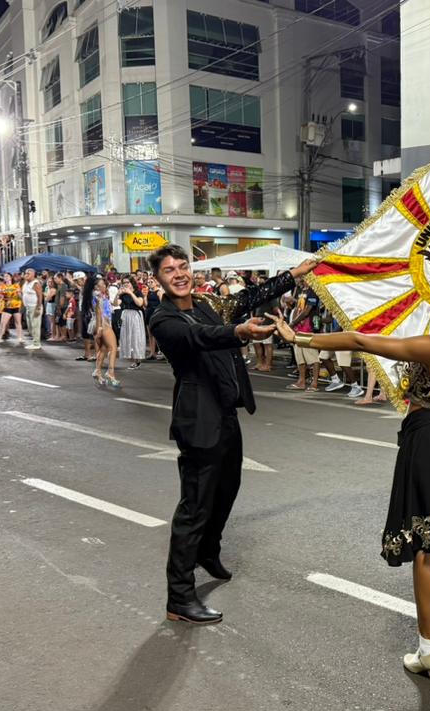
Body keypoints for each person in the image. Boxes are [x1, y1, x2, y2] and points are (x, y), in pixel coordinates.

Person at [266, 204, 430, 683]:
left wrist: (297, 338)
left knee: (427, 547)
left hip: (428, 439)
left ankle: (428, 650)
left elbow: (361, 341)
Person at [147, 243, 317, 626]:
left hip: (225, 414)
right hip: (198, 420)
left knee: (227, 489)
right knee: (194, 507)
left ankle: (208, 550)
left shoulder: (207, 303)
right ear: (158, 279)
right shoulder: (163, 319)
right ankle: (179, 598)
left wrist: (295, 274)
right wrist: (239, 331)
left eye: (183, 266)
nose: (179, 274)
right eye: (169, 270)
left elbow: (248, 297)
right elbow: (201, 337)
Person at [91, 277, 120, 387]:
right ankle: (110, 372)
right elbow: (98, 311)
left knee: (104, 348)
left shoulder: (102, 295)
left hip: (103, 322)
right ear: (96, 286)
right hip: (102, 323)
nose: (104, 286)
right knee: (113, 347)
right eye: (101, 284)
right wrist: (99, 327)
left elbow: (114, 304)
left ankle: (97, 371)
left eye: (104, 284)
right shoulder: (97, 295)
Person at [117, 277, 146, 369]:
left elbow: (139, 303)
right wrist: (117, 294)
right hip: (126, 315)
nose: (126, 284)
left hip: (135, 315)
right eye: (124, 282)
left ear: (132, 282)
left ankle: (137, 360)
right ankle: (133, 358)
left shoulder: (137, 292)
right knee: (128, 337)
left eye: (127, 282)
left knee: (136, 337)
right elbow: (115, 304)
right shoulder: (123, 294)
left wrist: (131, 293)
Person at [0, 273, 24, 344]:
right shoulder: (2, 286)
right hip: (7, 306)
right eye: (4, 276)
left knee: (18, 322)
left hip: (17, 305)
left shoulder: (16, 285)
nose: (6, 277)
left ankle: (20, 338)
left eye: (7, 276)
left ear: (11, 277)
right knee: (3, 322)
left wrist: (19, 293)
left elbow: (20, 297)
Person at [22, 269, 44, 349]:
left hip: (34, 307)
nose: (26, 274)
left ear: (34, 274)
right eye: (26, 273)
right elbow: (24, 294)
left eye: (29, 273)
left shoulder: (36, 283)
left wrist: (38, 308)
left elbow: (40, 296)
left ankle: (36, 344)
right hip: (28, 307)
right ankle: (35, 342)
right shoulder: (25, 283)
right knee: (30, 327)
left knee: (35, 326)